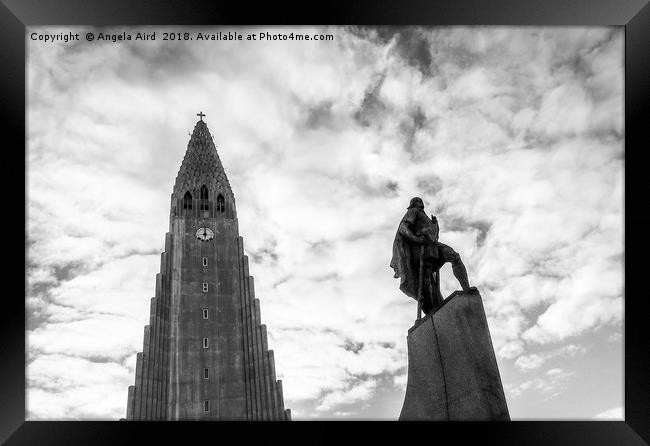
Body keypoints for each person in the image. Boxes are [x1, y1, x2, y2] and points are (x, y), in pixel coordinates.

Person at [390, 197, 476, 315]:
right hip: (423, 249)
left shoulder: (426, 217)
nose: (420, 202)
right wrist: (416, 239)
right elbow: (403, 228)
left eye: (420, 200)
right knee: (426, 280)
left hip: (433, 245)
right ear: (413, 204)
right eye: (417, 200)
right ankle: (430, 309)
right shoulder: (413, 212)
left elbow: (434, 236)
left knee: (454, 256)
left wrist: (435, 225)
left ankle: (466, 288)